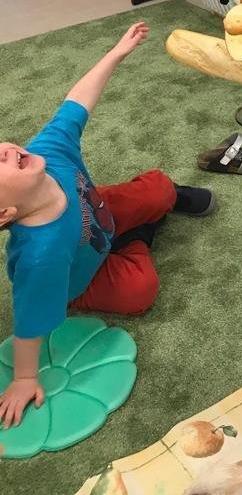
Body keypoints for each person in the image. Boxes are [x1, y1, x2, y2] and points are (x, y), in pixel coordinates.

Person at [0, 22, 215, 429]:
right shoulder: (41, 259)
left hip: (100, 212)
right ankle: (141, 234)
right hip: (82, 277)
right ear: (4, 214)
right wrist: (25, 378)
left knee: (158, 188)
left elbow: (76, 102)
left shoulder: (48, 152)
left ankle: (156, 209)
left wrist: (116, 53)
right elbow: (29, 322)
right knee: (140, 290)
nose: (5, 149)